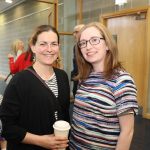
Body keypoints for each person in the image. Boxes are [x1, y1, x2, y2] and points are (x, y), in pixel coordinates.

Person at [69, 22, 138, 150]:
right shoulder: (84, 77)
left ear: (107, 44)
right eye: (83, 43)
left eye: (94, 40)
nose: (88, 47)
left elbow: (127, 132)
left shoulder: (121, 80)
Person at [0, 25, 70, 150]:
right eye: (43, 44)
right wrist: (41, 141)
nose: (49, 49)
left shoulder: (62, 76)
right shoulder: (20, 81)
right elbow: (8, 127)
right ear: (33, 47)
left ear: (58, 46)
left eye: (54, 44)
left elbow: (64, 115)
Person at [71, 24, 84, 97]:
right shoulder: (75, 47)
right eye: (74, 32)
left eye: (76, 32)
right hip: (77, 76)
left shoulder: (88, 46)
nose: (74, 34)